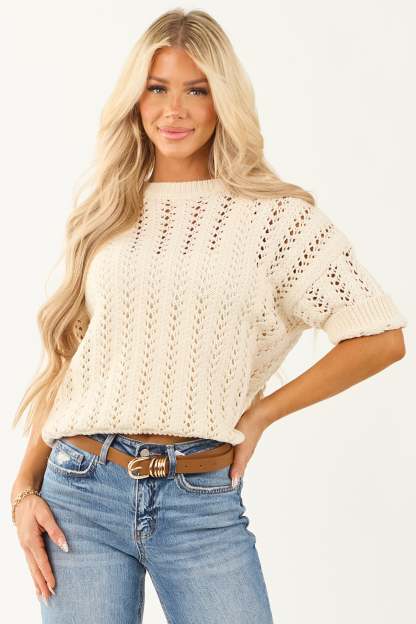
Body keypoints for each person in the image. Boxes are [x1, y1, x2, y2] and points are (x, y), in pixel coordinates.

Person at [10, 9, 407, 624]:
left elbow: (380, 339)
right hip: (80, 491)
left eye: (197, 90)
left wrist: (262, 414)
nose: (175, 110)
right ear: (135, 99)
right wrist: (22, 491)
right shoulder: (108, 213)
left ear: (224, 101)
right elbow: (75, 361)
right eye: (157, 88)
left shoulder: (278, 219)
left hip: (199, 499)